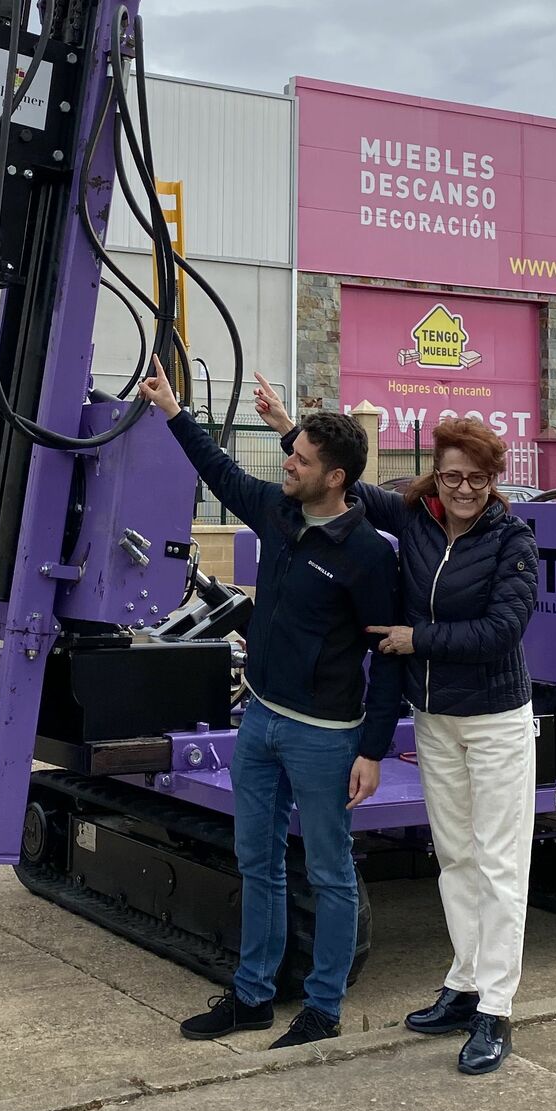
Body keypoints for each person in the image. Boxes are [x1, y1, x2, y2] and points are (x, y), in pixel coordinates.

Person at [255, 378, 538, 1077]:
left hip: (496, 720)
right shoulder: (415, 514)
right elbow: (337, 477)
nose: (463, 488)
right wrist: (288, 426)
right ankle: (464, 983)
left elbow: (504, 629)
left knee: (500, 863)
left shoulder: (512, 538)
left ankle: (496, 1007)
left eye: (475, 477)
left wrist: (419, 639)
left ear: (493, 479)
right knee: (457, 859)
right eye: (451, 475)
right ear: (435, 475)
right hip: (435, 719)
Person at [136, 356, 402, 1049]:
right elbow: (219, 471)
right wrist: (172, 409)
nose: (289, 462)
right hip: (259, 719)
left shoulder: (369, 555)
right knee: (256, 859)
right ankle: (253, 994)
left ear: (336, 478)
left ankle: (323, 1007)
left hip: (325, 736)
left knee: (330, 870)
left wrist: (372, 747)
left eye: (302, 457)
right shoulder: (277, 512)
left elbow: (388, 654)